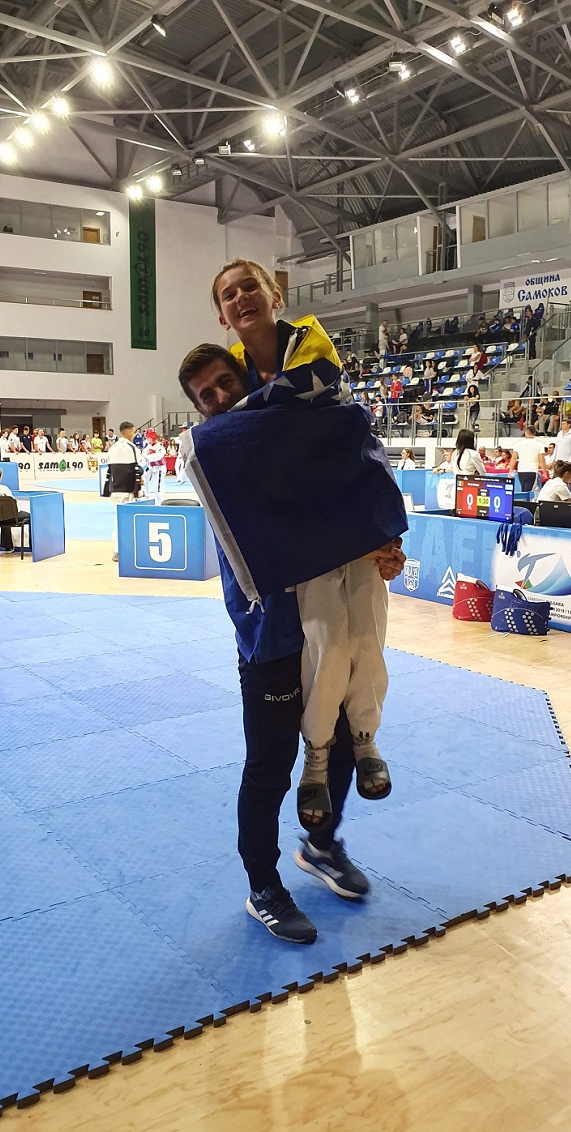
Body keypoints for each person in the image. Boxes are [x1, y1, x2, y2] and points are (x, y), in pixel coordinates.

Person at [178, 338, 405, 945]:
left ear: (247, 381)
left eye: (226, 383)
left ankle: (321, 845)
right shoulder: (218, 457)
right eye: (206, 395)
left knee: (336, 738)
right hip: (269, 635)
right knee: (271, 765)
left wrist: (380, 547)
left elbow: (339, 501)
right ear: (198, 409)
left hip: (325, 624)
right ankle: (263, 887)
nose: (219, 397)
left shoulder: (285, 438)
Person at [189, 258, 405, 826]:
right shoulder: (232, 375)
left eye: (250, 287)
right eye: (228, 294)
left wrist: (383, 533)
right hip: (301, 545)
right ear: (222, 316)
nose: (241, 298)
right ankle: (317, 762)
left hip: (348, 519)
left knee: (367, 639)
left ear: (274, 295)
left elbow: (337, 419)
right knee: (329, 646)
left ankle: (365, 741)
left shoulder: (310, 343)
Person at [107, 421, 142, 562]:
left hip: (115, 489)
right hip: (127, 490)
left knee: (118, 519)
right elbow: (139, 467)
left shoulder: (112, 448)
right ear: (128, 432)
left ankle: (118, 549)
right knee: (127, 521)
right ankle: (120, 550)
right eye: (133, 432)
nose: (134, 435)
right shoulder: (131, 447)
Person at [511, 424, 540, 490]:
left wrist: (510, 471)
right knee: (530, 491)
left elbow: (513, 458)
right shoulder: (539, 444)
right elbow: (542, 459)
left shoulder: (518, 444)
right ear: (535, 433)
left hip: (521, 470)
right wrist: (544, 472)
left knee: (523, 489)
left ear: (526, 432)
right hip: (532, 470)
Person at [141, 430, 166, 502]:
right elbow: (143, 452)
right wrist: (146, 456)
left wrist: (148, 456)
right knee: (144, 478)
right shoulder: (148, 445)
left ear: (153, 438)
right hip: (151, 467)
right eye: (147, 438)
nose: (148, 440)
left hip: (159, 468)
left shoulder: (160, 446)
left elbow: (158, 456)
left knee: (156, 489)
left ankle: (161, 501)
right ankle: (146, 495)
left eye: (149, 438)